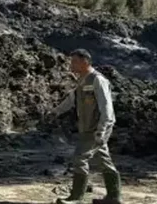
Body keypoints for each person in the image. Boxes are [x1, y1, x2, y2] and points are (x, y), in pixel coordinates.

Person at [48, 49, 122, 204]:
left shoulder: (98, 80)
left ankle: (76, 198)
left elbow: (107, 108)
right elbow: (71, 100)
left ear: (85, 62)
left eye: (74, 62)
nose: (71, 65)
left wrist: (102, 131)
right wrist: (55, 112)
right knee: (104, 161)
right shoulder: (82, 81)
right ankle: (113, 197)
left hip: (96, 129)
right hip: (88, 128)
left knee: (79, 158)